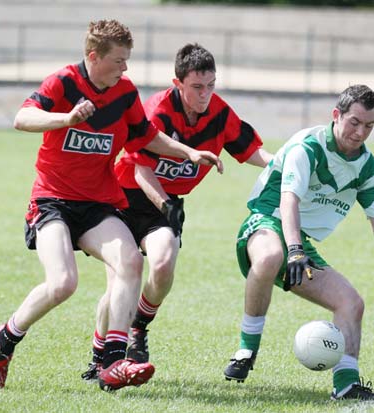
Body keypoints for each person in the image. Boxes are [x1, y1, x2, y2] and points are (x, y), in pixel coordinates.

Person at [0, 20, 222, 392]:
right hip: (52, 200)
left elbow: (146, 137)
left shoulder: (124, 93)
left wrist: (188, 151)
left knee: (130, 261)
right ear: (94, 57)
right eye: (119, 60)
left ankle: (112, 362)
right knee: (63, 283)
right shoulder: (63, 83)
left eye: (127, 60)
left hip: (97, 203)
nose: (125, 68)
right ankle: (6, 337)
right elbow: (22, 117)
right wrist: (66, 118)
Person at [81, 43, 274, 381]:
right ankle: (99, 359)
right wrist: (167, 207)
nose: (205, 94)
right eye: (197, 87)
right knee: (120, 280)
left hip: (163, 201)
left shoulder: (219, 113)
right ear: (178, 83)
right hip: (125, 196)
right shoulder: (157, 110)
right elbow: (141, 171)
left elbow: (252, 150)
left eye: (211, 85)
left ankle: (138, 327)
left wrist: (287, 166)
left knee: (164, 262)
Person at [223, 84, 374, 402]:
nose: (360, 132)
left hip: (300, 242)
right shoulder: (308, 147)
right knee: (271, 256)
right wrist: (295, 249)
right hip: (266, 223)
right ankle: (246, 350)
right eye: (354, 122)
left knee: (351, 303)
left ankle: (347, 384)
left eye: (369, 126)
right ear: (336, 115)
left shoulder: (368, 168)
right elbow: (289, 202)